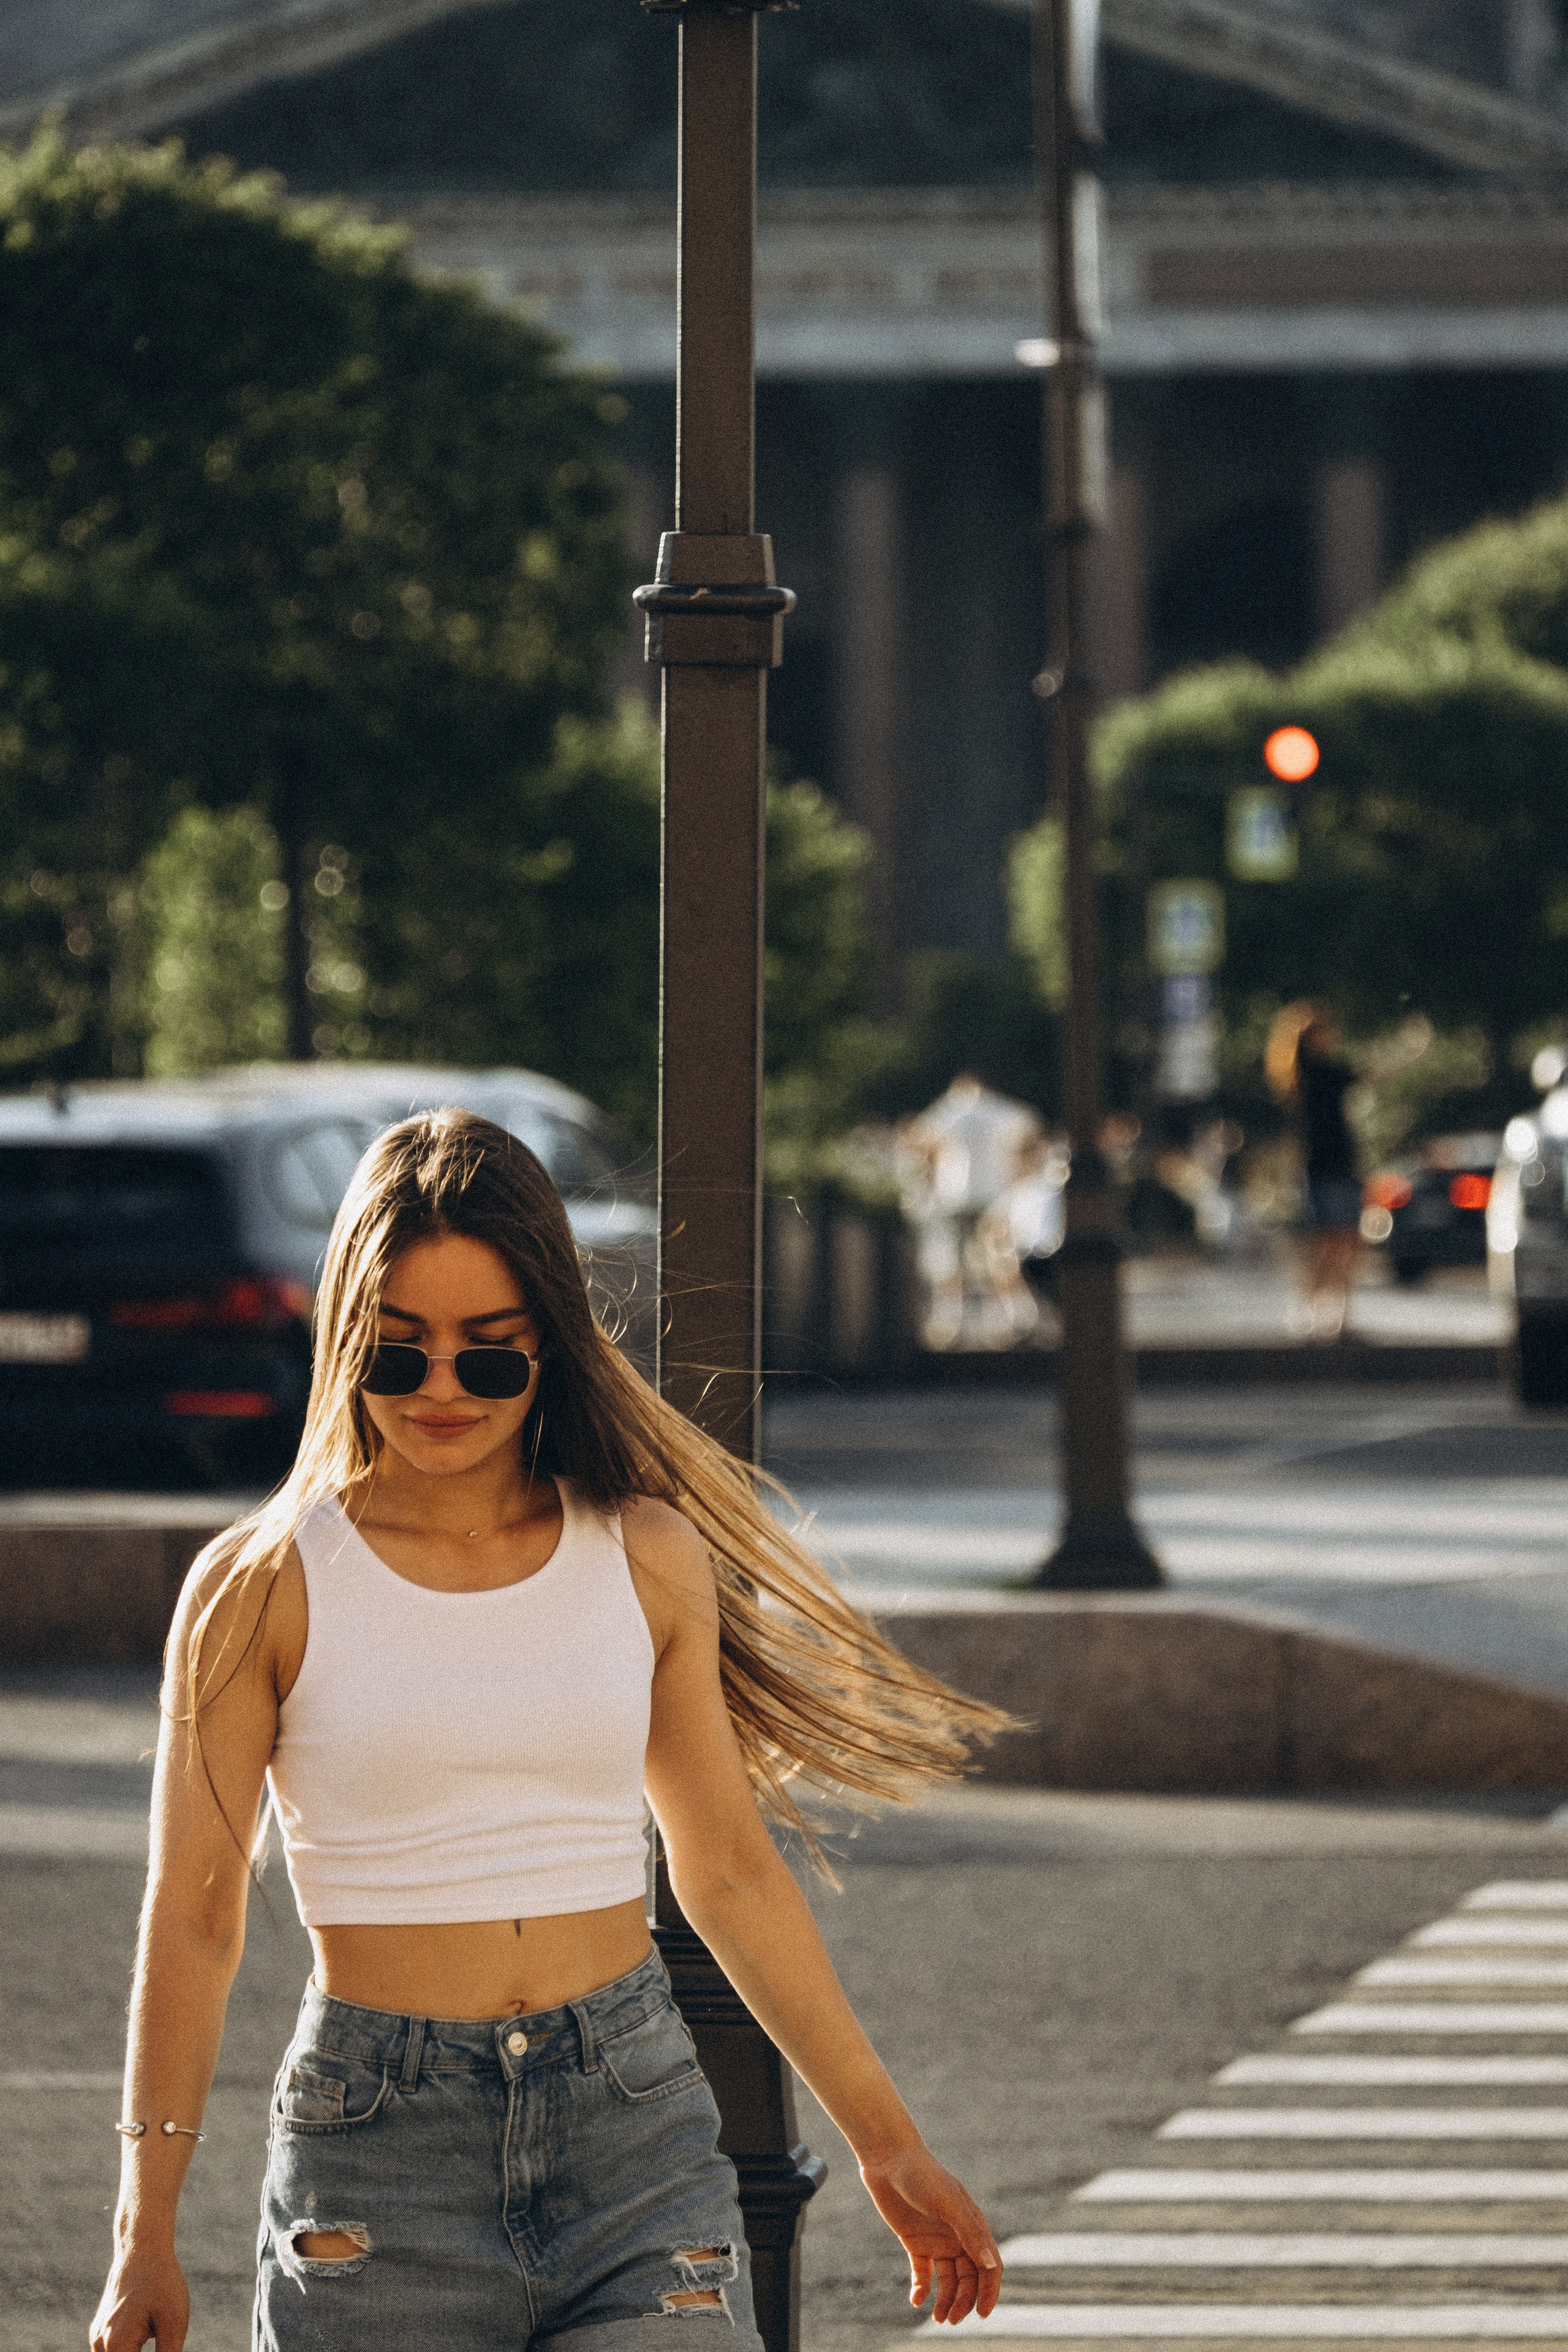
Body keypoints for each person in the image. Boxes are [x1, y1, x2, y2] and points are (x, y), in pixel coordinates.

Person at [91, 1110, 1006, 2352]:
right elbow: (192, 1916)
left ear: (552, 1350)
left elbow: (729, 1868)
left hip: (629, 2125)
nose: (442, 1392)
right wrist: (143, 2231)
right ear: (343, 1343)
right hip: (376, 2162)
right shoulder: (260, 1586)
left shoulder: (643, 1555)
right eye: (397, 1353)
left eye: (491, 1355)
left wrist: (887, 2146)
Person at [1265, 1002, 1364, 1340]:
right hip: (1325, 1167)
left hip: (1334, 1165)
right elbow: (1364, 1074)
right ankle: (1317, 1314)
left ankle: (1330, 1315)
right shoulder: (1314, 1075)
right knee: (1329, 1243)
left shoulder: (1301, 1075)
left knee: (1342, 1243)